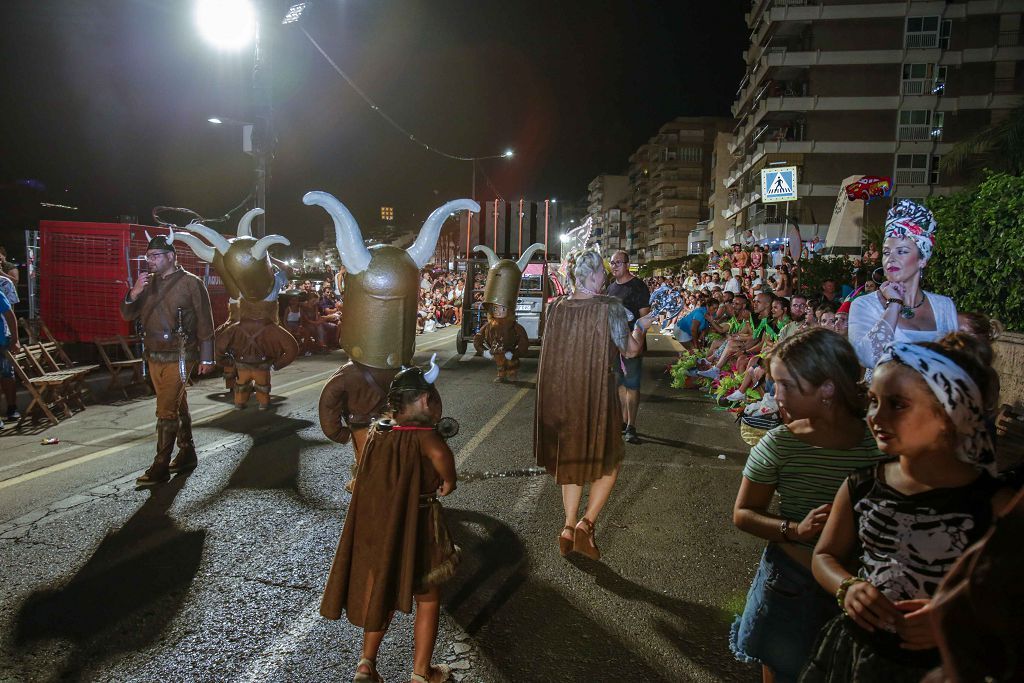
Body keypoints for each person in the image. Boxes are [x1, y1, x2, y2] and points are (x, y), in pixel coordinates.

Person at [801, 334, 1015, 682]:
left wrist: (953, 620)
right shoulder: (862, 485)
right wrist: (848, 587)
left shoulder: (994, 504)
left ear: (950, 414)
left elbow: (1009, 598)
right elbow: (824, 556)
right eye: (872, 401)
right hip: (857, 654)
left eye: (897, 404)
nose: (875, 416)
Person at [731, 329, 885, 683]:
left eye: (785, 384)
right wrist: (794, 530)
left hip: (859, 586)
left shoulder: (878, 444)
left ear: (827, 389)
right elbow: (743, 514)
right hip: (789, 583)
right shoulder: (780, 443)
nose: (775, 394)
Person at [320, 362, 459, 683]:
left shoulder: (378, 430)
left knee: (381, 591)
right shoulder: (425, 436)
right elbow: (443, 462)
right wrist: (448, 481)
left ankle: (366, 665)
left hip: (381, 527)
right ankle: (422, 673)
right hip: (418, 526)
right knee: (427, 596)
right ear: (424, 401)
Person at [535, 249, 653, 560]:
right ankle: (587, 525)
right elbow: (630, 351)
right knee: (609, 462)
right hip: (597, 395)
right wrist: (643, 326)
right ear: (591, 276)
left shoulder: (556, 307)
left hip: (564, 396)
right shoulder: (609, 308)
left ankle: (567, 527)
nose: (605, 275)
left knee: (571, 462)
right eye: (601, 271)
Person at [119, 236, 215, 486]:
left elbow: (205, 321)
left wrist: (207, 356)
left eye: (156, 255)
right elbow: (127, 313)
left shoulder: (191, 283)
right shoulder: (147, 285)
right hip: (153, 353)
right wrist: (134, 291)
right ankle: (187, 452)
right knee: (176, 404)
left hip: (182, 354)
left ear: (171, 256)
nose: (150, 260)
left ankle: (160, 465)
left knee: (165, 409)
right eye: (148, 256)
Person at [847, 200, 958, 381]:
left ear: (922, 259)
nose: (890, 259)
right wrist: (894, 305)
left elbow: (955, 365)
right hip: (884, 406)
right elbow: (868, 357)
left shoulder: (944, 306)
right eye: (886, 252)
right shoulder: (864, 304)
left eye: (902, 251)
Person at [606, 250, 651, 445]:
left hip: (632, 342)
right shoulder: (610, 288)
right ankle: (622, 422)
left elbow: (645, 317)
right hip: (615, 343)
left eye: (618, 262)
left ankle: (631, 426)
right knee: (620, 384)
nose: (614, 266)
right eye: (612, 263)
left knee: (632, 385)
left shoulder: (638, 286)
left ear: (627, 264)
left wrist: (638, 342)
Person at [0, 289, 21, 430]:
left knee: (8, 375)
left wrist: (15, 339)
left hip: (2, 341)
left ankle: (12, 408)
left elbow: (9, 314)